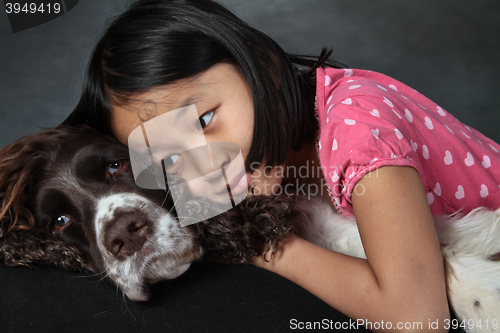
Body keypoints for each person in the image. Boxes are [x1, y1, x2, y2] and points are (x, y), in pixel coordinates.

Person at [63, 0, 500, 331]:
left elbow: (417, 316)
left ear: (266, 68)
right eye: (170, 157)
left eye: (203, 120)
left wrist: (265, 246)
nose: (206, 164)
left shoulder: (358, 128)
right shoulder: (258, 164)